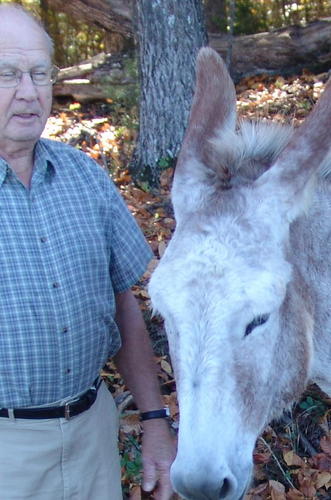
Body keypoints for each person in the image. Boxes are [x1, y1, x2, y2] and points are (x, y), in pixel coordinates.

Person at [0, 3, 176, 499]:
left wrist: (156, 420)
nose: (29, 93)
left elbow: (123, 308)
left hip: (93, 435)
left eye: (39, 74)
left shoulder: (85, 177)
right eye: (8, 74)